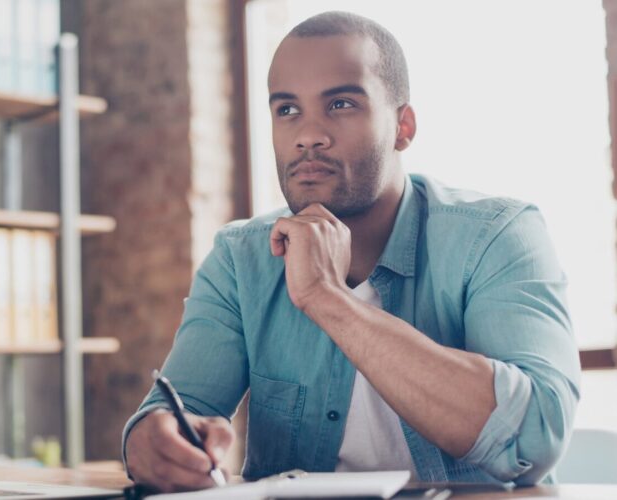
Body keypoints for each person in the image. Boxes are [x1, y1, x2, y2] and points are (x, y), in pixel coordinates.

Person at [122, 11, 580, 493]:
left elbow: (536, 436)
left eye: (340, 104)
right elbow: (175, 410)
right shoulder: (241, 258)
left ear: (403, 127)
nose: (308, 134)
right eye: (287, 110)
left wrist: (328, 298)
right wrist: (150, 443)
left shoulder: (497, 236)